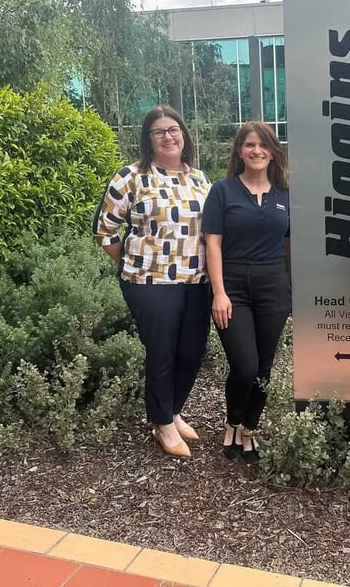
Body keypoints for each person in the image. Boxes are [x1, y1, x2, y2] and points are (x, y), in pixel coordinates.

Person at [93, 105, 211, 458]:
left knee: (191, 351)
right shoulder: (130, 177)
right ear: (148, 139)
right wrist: (132, 262)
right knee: (162, 350)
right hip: (148, 281)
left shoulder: (199, 178)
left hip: (196, 279)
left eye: (173, 129)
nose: (167, 137)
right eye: (158, 132)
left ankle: (174, 410)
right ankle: (161, 423)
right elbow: (105, 229)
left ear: (184, 134)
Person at [202, 121, 291, 465]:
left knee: (264, 367)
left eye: (263, 145)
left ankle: (249, 429)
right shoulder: (223, 191)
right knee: (244, 365)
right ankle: (233, 420)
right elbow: (213, 243)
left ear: (273, 152)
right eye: (249, 145)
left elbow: (289, 245)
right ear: (240, 151)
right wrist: (219, 293)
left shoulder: (284, 195)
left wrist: (290, 288)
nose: (257, 151)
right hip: (233, 286)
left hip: (273, 287)